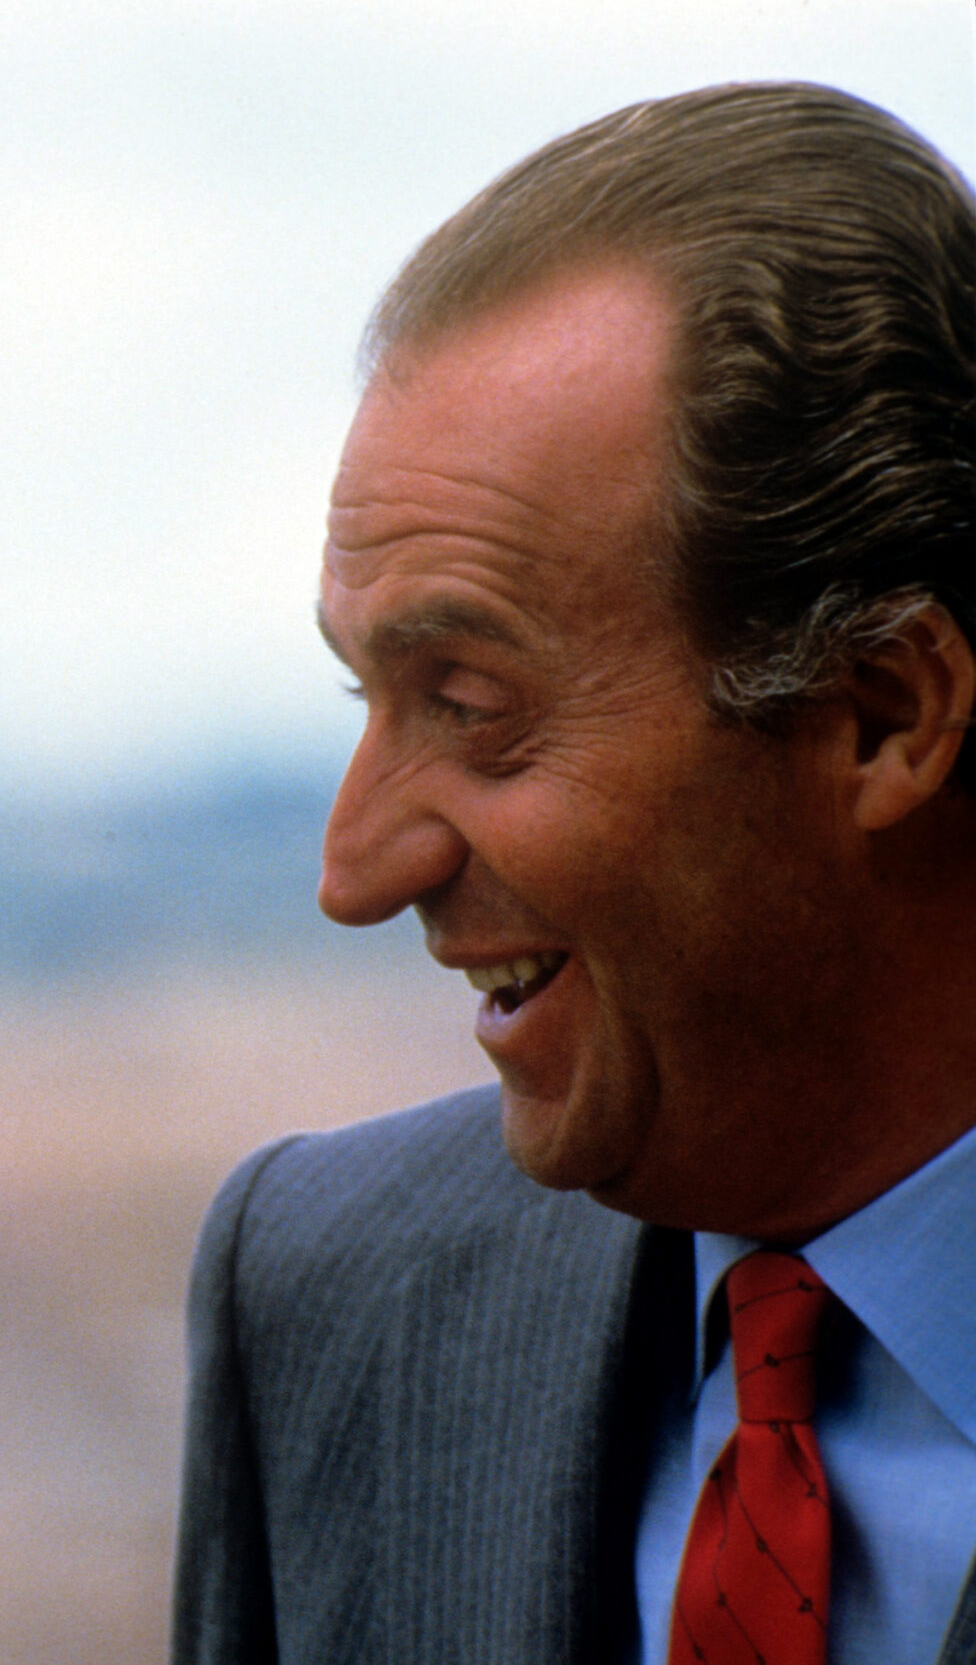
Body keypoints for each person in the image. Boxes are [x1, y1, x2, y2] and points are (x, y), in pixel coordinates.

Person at [171, 82, 976, 1665]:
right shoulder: (328, 1297)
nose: (357, 869)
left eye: (471, 710)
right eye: (366, 698)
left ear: (885, 712)